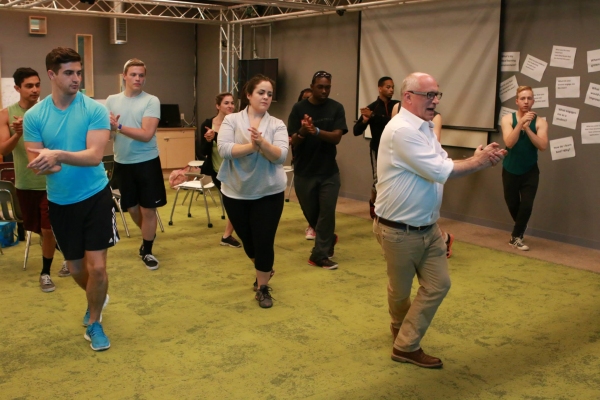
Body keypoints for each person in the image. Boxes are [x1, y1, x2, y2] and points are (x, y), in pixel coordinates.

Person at [373, 72, 506, 368]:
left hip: (428, 228)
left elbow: (441, 161)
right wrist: (478, 162)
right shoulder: (401, 131)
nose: (435, 100)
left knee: (439, 284)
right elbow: (441, 171)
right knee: (400, 291)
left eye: (437, 94)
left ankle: (405, 344)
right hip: (398, 230)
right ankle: (400, 328)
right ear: (408, 97)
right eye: (429, 95)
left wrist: (477, 155)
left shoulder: (424, 127)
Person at [24, 47, 117, 351]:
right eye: (69, 73)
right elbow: (39, 165)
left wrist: (58, 155)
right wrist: (51, 160)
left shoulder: (94, 110)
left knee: (99, 269)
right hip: (61, 202)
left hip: (95, 196)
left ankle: (94, 320)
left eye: (78, 72)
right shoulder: (34, 116)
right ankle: (96, 296)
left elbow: (93, 157)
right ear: (52, 75)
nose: (76, 78)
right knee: (78, 270)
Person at [217, 74, 288, 308]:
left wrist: (263, 144)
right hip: (236, 191)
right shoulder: (232, 121)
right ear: (248, 95)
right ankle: (264, 269)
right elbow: (225, 149)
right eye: (261, 92)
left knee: (264, 240)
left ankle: (263, 287)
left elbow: (281, 156)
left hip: (269, 192)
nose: (266, 97)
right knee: (248, 242)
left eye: (269, 94)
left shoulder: (277, 124)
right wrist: (252, 146)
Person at [0, 67, 70, 292]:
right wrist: (18, 133)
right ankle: (68, 251)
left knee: (48, 230)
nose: (35, 90)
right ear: (17, 88)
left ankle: (45, 273)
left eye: (37, 85)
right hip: (25, 183)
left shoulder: (49, 111)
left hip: (51, 183)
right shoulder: (5, 115)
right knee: (39, 229)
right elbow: (2, 149)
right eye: (29, 86)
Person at [105, 58, 166, 270]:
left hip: (147, 162)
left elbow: (147, 134)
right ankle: (148, 234)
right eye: (133, 74)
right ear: (124, 76)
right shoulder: (111, 100)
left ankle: (147, 249)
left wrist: (118, 126)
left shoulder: (151, 101)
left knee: (149, 210)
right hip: (122, 163)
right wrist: (111, 128)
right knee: (130, 207)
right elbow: (110, 132)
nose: (138, 78)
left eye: (141, 75)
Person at [287, 71, 348, 270]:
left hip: (329, 171)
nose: (324, 90)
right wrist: (304, 131)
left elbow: (337, 137)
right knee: (312, 214)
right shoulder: (299, 108)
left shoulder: (336, 108)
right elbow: (292, 141)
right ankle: (327, 238)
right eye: (320, 86)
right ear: (312, 86)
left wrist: (317, 131)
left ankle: (319, 255)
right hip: (304, 171)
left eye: (327, 87)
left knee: (327, 213)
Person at [392, 104, 455, 258]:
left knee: (423, 216)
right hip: (403, 167)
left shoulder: (435, 117)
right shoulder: (398, 111)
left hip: (425, 168)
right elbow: (396, 137)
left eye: (434, 95)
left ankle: (444, 239)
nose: (434, 101)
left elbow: (434, 145)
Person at [500, 86, 548, 251]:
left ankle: (516, 237)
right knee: (513, 204)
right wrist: (520, 124)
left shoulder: (541, 122)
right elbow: (509, 143)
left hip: (530, 171)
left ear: (533, 101)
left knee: (526, 205)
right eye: (523, 98)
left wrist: (528, 128)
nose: (526, 101)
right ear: (517, 101)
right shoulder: (508, 119)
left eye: (529, 98)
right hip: (510, 170)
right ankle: (520, 229)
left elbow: (542, 146)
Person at [199, 92, 241, 248]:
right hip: (218, 170)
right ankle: (228, 235)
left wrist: (215, 137)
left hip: (236, 168)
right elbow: (202, 151)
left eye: (232, 103)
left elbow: (237, 144)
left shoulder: (237, 123)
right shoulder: (208, 123)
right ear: (218, 106)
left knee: (235, 202)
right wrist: (208, 140)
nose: (230, 106)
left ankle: (227, 234)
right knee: (233, 202)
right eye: (226, 103)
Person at [353, 77, 399, 219]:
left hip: (396, 150)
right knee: (378, 180)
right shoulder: (372, 107)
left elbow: (392, 123)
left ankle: (389, 209)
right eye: (388, 87)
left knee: (395, 180)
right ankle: (373, 203)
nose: (391, 90)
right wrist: (366, 120)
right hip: (377, 149)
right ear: (380, 88)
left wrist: (373, 116)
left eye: (392, 87)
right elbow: (356, 130)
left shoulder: (398, 106)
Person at [295, 88, 316, 241]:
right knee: (306, 200)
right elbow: (292, 140)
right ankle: (312, 223)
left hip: (321, 164)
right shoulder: (296, 116)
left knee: (321, 200)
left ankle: (318, 229)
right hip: (302, 164)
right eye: (305, 98)